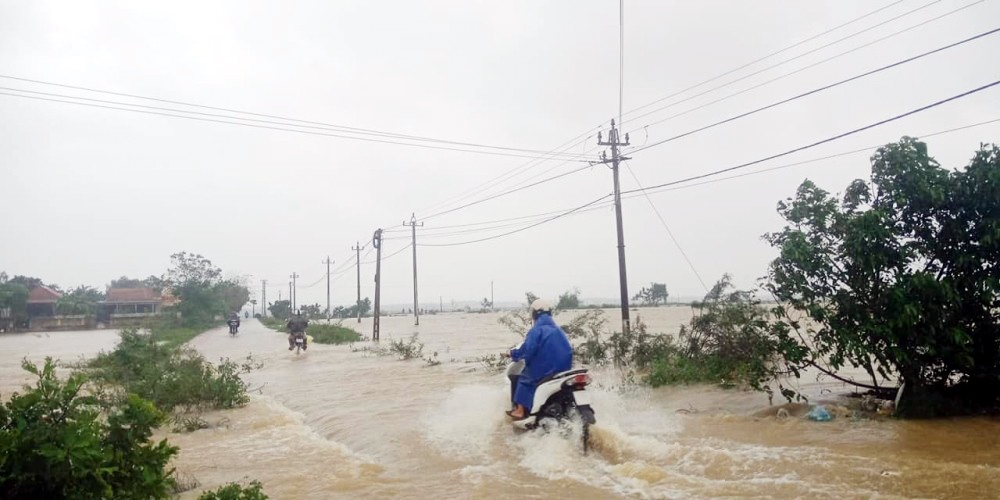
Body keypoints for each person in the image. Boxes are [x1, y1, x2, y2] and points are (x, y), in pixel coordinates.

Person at [503, 299, 573, 420]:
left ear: (534, 314)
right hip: (564, 369)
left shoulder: (536, 331)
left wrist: (512, 353)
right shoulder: (558, 330)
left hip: (547, 369)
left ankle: (520, 411)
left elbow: (527, 350)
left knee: (524, 378)